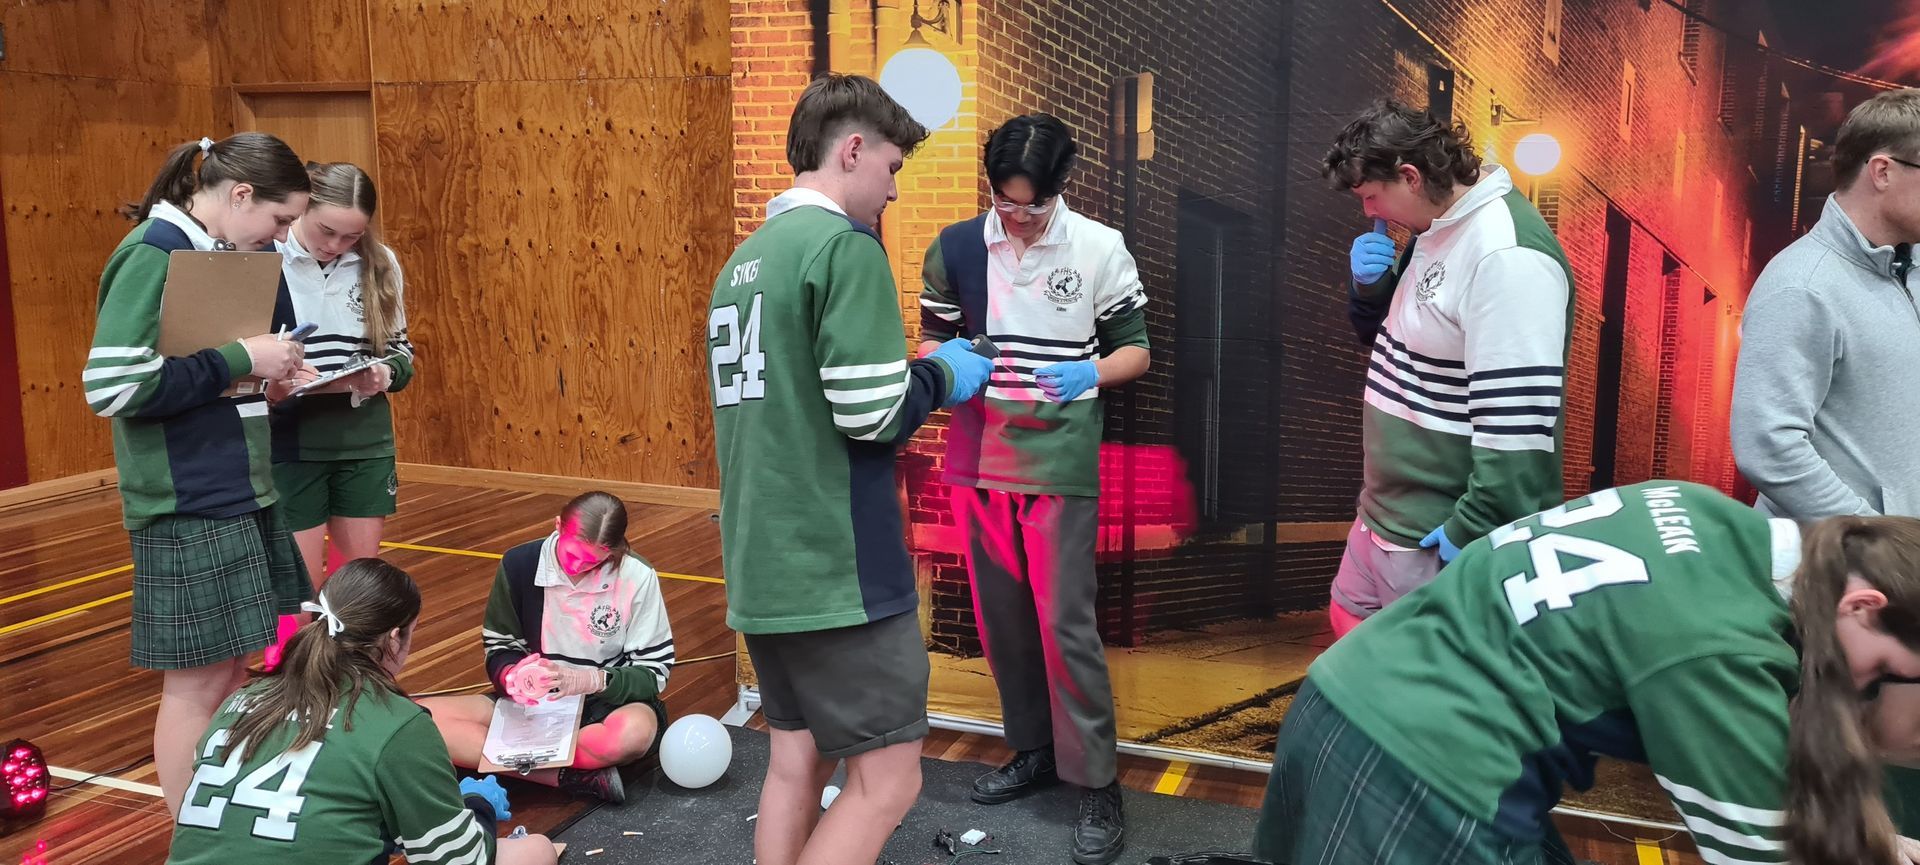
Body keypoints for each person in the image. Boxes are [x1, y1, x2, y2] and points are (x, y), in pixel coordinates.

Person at [1253, 480, 1920, 865]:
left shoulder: (1705, 514)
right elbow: (1760, 849)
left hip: (1343, 699)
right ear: (1863, 607)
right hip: (1423, 765)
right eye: (1898, 678)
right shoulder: (1719, 649)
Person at [706, 73, 993, 865]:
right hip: (837, 570)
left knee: (795, 761)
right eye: (892, 169)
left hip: (762, 564)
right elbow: (872, 413)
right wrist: (944, 372)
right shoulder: (844, 248)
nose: (893, 191)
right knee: (888, 782)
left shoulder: (742, 262)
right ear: (854, 149)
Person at [915, 113, 1148, 865]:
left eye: (1034, 204)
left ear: (1061, 186)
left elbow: (1136, 351)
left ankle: (1097, 780)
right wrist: (946, 365)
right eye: (1005, 201)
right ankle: (1035, 749)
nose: (1018, 217)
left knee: (1064, 623)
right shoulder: (957, 246)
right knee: (1004, 622)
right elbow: (930, 337)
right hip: (978, 454)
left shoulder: (1099, 247)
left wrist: (1090, 372)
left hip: (1059, 461)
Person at [85, 132, 318, 814]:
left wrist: (269, 376)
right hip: (186, 495)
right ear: (240, 194)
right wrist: (241, 359)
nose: (282, 237)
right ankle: (193, 837)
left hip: (241, 484)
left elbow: (212, 372)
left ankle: (218, 816)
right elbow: (112, 386)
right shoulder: (154, 251)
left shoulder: (227, 253)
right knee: (195, 685)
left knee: (232, 669)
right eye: (278, 219)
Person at [1731, 87, 1920, 833]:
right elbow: (1767, 443)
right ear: (1883, 170)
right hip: (1837, 588)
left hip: (1899, 577)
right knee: (1830, 791)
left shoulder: (1907, 272)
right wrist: (1874, 541)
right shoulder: (1802, 284)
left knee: (1896, 777)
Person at [1322, 99, 1573, 638]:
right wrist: (1369, 290)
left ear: (1410, 177)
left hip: (1435, 530)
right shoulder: (1435, 229)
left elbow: (1519, 421)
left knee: (1416, 681)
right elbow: (1391, 336)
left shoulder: (1505, 254)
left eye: (1371, 195)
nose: (1369, 211)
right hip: (1384, 513)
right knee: (1349, 625)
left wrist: (1476, 526)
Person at [165, 558, 559, 865]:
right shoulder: (397, 721)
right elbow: (456, 859)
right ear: (395, 638)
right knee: (535, 850)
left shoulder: (242, 699)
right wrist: (478, 806)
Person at [418, 491, 674, 804]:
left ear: (612, 551)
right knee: (420, 718)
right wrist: (513, 675)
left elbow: (654, 671)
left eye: (592, 561)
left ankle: (511, 758)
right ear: (557, 526)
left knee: (632, 734)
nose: (578, 566)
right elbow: (500, 644)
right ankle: (568, 775)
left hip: (607, 704)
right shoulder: (520, 563)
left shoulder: (637, 575)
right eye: (572, 554)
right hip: (534, 705)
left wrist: (591, 680)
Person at [262, 161, 418, 668]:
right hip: (290, 439)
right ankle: (289, 677)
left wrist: (384, 374)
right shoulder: (266, 256)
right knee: (297, 585)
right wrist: (275, 383)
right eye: (326, 230)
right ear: (300, 210)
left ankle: (350, 676)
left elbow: (401, 352)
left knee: (357, 582)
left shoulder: (380, 262)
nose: (335, 245)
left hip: (362, 440)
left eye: (351, 236)